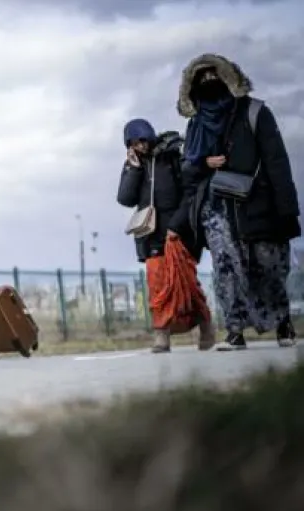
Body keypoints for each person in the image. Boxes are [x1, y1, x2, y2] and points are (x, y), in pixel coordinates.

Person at [170, 53, 301, 350]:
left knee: (269, 267)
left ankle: (282, 324)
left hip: (259, 205)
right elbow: (187, 172)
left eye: (214, 78)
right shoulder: (195, 126)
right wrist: (204, 162)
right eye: (201, 81)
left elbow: (277, 162)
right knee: (226, 268)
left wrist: (288, 211)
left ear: (230, 80)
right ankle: (234, 329)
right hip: (217, 211)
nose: (208, 85)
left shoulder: (255, 113)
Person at [117, 119, 216, 353]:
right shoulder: (135, 163)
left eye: (141, 140)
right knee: (156, 283)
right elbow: (125, 198)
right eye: (133, 143)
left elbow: (190, 191)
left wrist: (177, 224)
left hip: (179, 231)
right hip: (151, 234)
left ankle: (205, 324)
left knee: (187, 283)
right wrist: (133, 169)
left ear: (149, 136)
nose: (139, 146)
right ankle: (161, 334)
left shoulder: (173, 154)